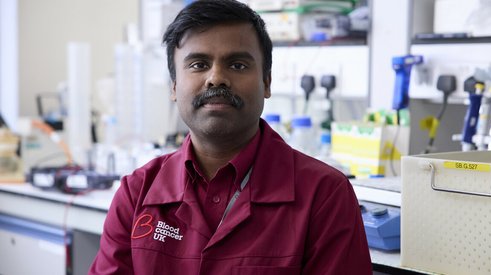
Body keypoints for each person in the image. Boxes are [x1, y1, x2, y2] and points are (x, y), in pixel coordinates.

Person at [89, 0, 372, 274]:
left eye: (237, 65)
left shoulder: (324, 195)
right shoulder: (137, 193)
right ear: (174, 87)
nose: (216, 78)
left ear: (266, 83)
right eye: (198, 64)